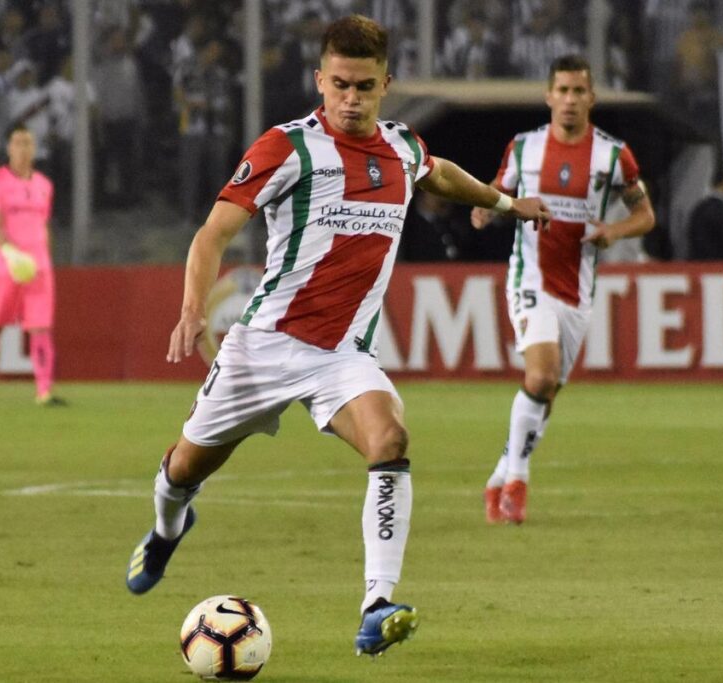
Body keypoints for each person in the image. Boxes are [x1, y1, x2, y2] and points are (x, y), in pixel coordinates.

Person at [124, 14, 550, 658]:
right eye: (341, 84)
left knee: (392, 439)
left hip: (341, 355)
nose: (352, 99)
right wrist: (191, 306)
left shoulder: (402, 146)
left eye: (366, 86)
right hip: (263, 346)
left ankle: (376, 605)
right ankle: (165, 530)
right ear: (320, 80)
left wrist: (501, 202)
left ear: (387, 85)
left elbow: (437, 172)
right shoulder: (285, 147)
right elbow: (214, 232)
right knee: (183, 469)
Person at [472, 54, 655, 525]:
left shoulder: (614, 155)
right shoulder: (524, 148)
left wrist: (613, 232)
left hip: (578, 291)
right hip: (529, 278)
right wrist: (489, 207)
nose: (570, 100)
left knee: (546, 391)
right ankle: (517, 478)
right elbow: (498, 189)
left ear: (591, 98)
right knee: (540, 376)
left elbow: (645, 215)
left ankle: (497, 478)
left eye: (579, 91)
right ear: (548, 96)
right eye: (563, 90)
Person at [0, 124, 65, 407]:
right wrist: (11, 254)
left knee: (41, 328)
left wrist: (44, 260)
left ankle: (44, 391)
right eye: (18, 142)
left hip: (38, 269)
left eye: (28, 143)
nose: (23, 148)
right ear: (8, 147)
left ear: (34, 149)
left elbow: (43, 227)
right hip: (5, 266)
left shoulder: (44, 185)